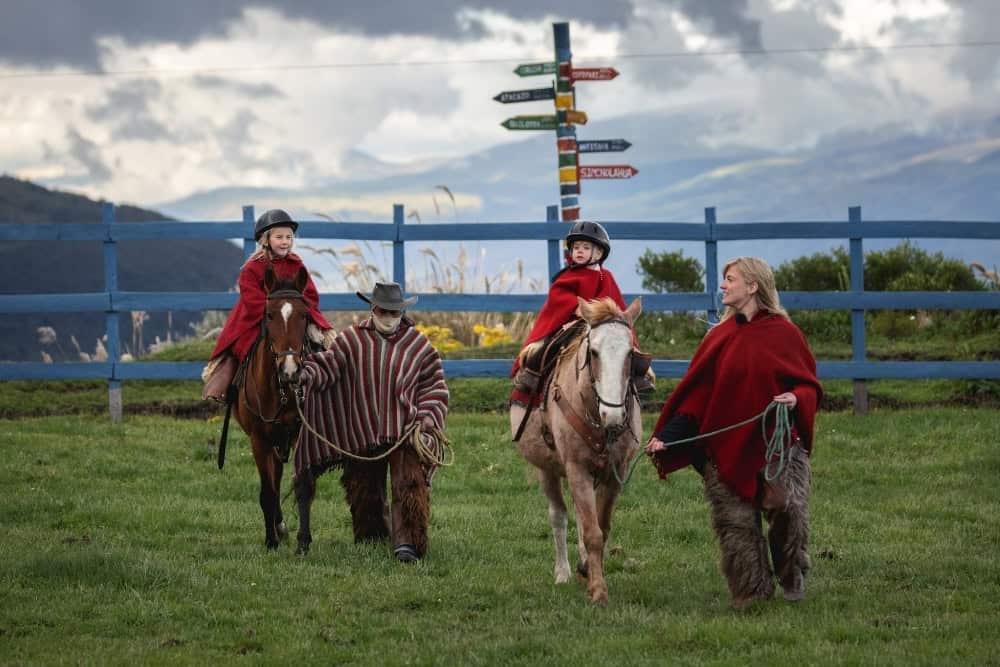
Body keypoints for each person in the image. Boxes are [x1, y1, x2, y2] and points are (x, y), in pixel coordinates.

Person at [645, 256, 822, 609]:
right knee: (736, 522)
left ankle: (791, 572)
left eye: (730, 279)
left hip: (777, 445)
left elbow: (810, 387)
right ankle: (751, 593)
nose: (723, 286)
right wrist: (668, 436)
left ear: (753, 285)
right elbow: (697, 396)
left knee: (787, 507)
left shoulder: (785, 333)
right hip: (724, 448)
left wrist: (795, 397)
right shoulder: (720, 337)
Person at [294, 282, 449, 563]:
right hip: (361, 429)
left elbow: (434, 385)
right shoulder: (352, 339)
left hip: (404, 429)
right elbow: (329, 367)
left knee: (408, 484)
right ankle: (371, 533)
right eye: (383, 311)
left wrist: (427, 416)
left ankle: (408, 542)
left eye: (394, 312)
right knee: (363, 485)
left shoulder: (418, 345)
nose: (388, 317)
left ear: (401, 312)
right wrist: (306, 374)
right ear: (372, 308)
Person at [510, 221, 653, 435]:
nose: (579, 251)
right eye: (576, 247)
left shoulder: (607, 277)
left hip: (603, 326)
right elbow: (559, 298)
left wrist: (609, 317)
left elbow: (614, 304)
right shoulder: (567, 276)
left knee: (620, 346)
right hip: (571, 323)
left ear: (598, 253)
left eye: (586, 248)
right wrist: (576, 307)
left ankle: (638, 378)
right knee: (546, 346)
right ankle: (533, 374)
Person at [201, 208, 335, 401]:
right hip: (257, 316)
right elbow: (250, 296)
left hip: (292, 314)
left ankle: (327, 384)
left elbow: (310, 293)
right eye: (279, 237)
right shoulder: (253, 267)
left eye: (288, 237)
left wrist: (298, 308)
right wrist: (270, 310)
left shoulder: (296, 264)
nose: (285, 241)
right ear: (266, 239)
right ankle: (227, 386)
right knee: (240, 345)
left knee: (321, 341)